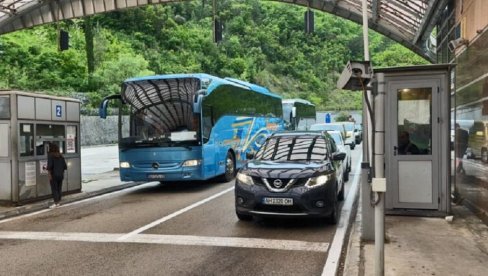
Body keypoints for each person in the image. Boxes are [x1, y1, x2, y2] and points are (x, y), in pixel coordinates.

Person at [47, 143, 67, 208]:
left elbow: (50, 166)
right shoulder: (61, 156)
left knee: (54, 189)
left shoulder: (50, 156)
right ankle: (58, 202)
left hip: (54, 175)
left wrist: (49, 174)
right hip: (61, 175)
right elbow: (65, 166)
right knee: (59, 188)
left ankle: (56, 203)